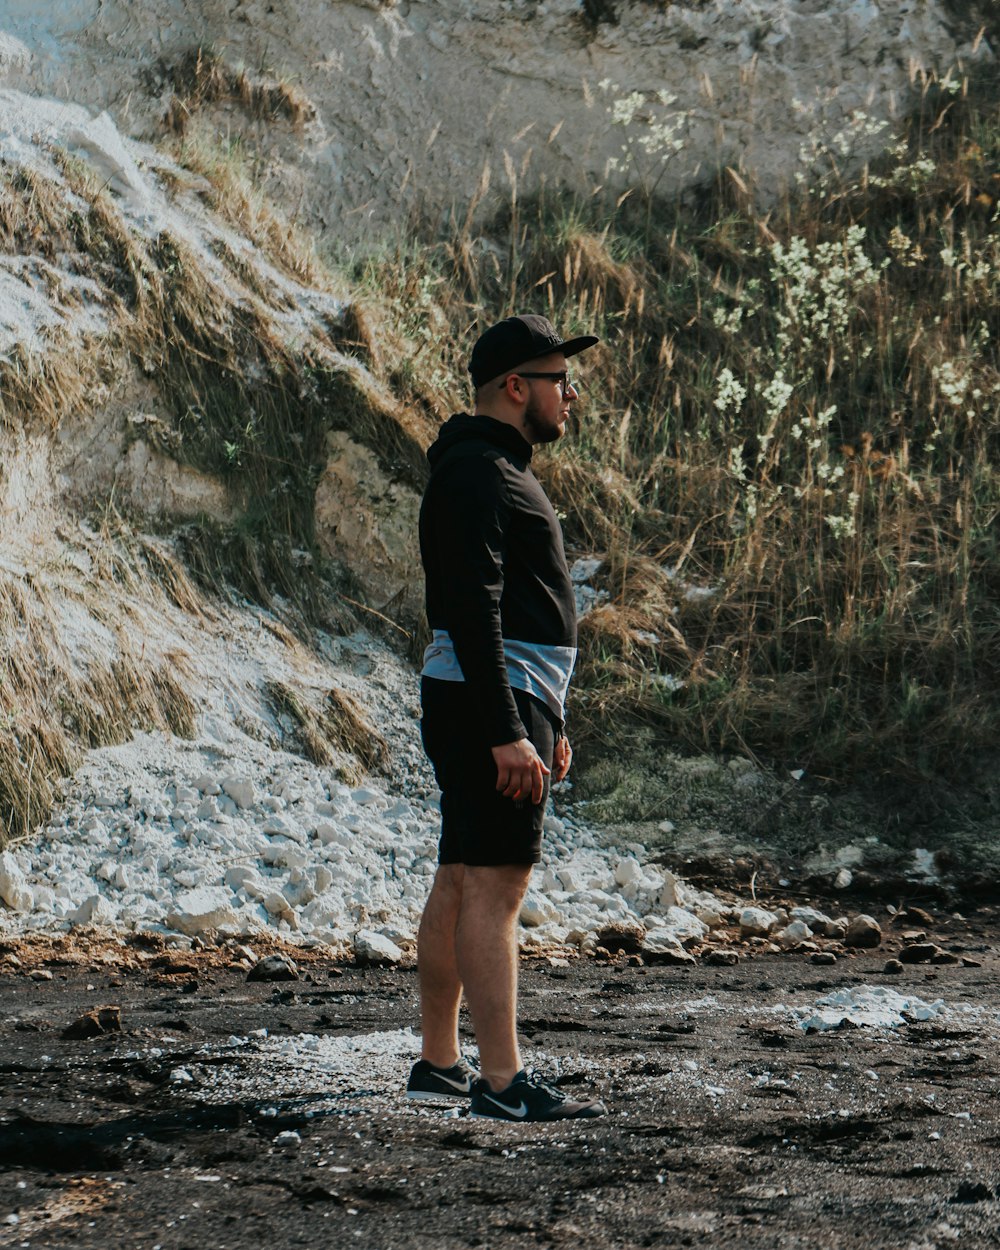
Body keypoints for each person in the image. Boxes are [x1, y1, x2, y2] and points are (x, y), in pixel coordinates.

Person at [406, 314, 607, 1122]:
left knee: (461, 877)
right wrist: (509, 730)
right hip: (490, 700)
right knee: (496, 886)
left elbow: (507, 611)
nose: (571, 395)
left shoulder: (484, 467)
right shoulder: (481, 473)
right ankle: (502, 1083)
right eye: (559, 380)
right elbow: (475, 609)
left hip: (500, 698)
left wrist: (541, 721)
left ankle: (441, 1063)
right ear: (515, 387)